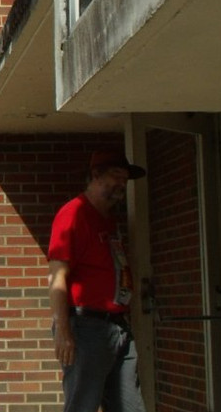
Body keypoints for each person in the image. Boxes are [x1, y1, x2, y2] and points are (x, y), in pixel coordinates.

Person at [47, 149, 148, 412]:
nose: (121, 184)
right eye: (116, 176)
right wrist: (63, 331)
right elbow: (57, 276)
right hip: (86, 327)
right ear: (95, 175)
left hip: (118, 325)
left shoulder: (108, 220)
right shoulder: (73, 214)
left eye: (125, 179)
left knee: (131, 406)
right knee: (83, 404)